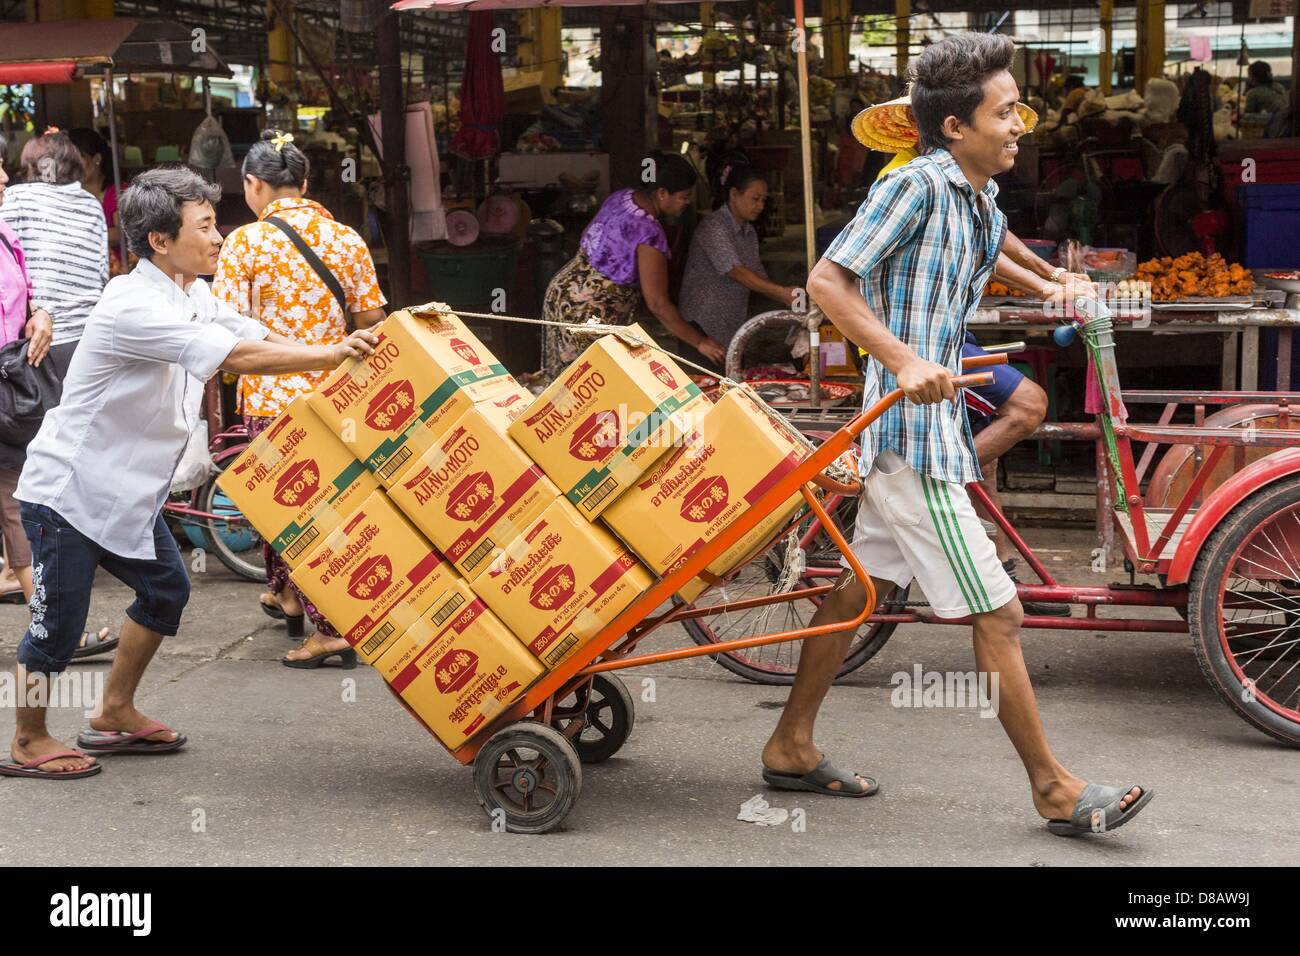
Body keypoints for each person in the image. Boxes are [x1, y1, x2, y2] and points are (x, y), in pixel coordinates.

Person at [760, 33, 1153, 836]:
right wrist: (903, 360)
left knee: (857, 590)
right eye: (1005, 113)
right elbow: (828, 278)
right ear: (953, 129)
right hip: (912, 434)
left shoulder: (971, 192)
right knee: (998, 613)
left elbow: (992, 240)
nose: (1019, 126)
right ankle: (1052, 788)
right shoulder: (914, 187)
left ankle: (790, 743)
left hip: (923, 427)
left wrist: (1054, 281)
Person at [0, 166, 380, 779]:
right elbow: (236, 357)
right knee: (57, 627)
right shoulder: (132, 304)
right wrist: (332, 352)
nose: (219, 237)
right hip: (70, 494)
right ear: (159, 240)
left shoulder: (189, 292)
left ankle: (114, 709)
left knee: (165, 589)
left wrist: (358, 343)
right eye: (205, 226)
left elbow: (251, 334)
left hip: (128, 493)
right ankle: (28, 738)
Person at [213, 129, 386, 669]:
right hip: (339, 398)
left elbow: (227, 328)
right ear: (304, 183)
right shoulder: (347, 238)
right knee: (320, 507)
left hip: (272, 395)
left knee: (287, 510)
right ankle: (286, 595)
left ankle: (331, 629)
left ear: (253, 184)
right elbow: (372, 323)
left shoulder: (243, 243)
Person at [0, 128, 115, 657]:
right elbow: (96, 277)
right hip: (77, 350)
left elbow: (21, 282)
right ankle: (53, 597)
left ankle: (47, 606)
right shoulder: (92, 207)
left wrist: (42, 309)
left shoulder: (16, 203)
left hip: (29, 355)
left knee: (19, 482)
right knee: (51, 472)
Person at [540, 152, 725, 380]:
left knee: (563, 380)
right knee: (588, 388)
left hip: (562, 293)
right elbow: (657, 303)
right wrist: (700, 342)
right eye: (684, 197)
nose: (685, 204)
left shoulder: (622, 197)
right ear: (662, 193)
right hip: (587, 313)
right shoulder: (650, 234)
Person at [0, 134, 54, 611]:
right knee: (15, 501)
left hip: (9, 385)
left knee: (16, 498)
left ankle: (49, 621)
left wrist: (40, 313)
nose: (2, 178)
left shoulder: (4, 233)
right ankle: (50, 622)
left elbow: (25, 289)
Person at [678, 163, 801, 366]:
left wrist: (787, 296)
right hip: (701, 326)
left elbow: (757, 275)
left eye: (763, 200)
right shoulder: (713, 227)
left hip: (729, 327)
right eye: (755, 199)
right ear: (734, 194)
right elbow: (736, 272)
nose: (760, 206)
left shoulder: (749, 232)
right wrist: (780, 292)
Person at [65, 127, 125, 273]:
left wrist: (79, 236)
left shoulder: (117, 191)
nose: (73, 166)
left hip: (116, 271)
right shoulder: (69, 193)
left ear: (97, 159)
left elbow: (121, 233)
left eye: (79, 158)